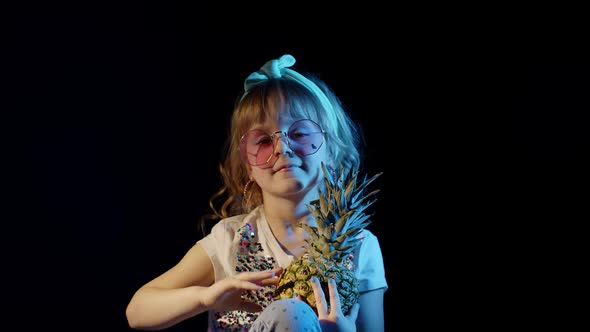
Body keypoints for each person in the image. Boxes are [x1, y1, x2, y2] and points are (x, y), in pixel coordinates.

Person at [125, 54, 388, 331]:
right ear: (247, 166)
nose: (282, 148)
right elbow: (138, 311)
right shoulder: (230, 240)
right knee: (289, 311)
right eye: (263, 140)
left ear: (332, 151)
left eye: (299, 134)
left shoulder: (360, 247)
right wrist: (205, 298)